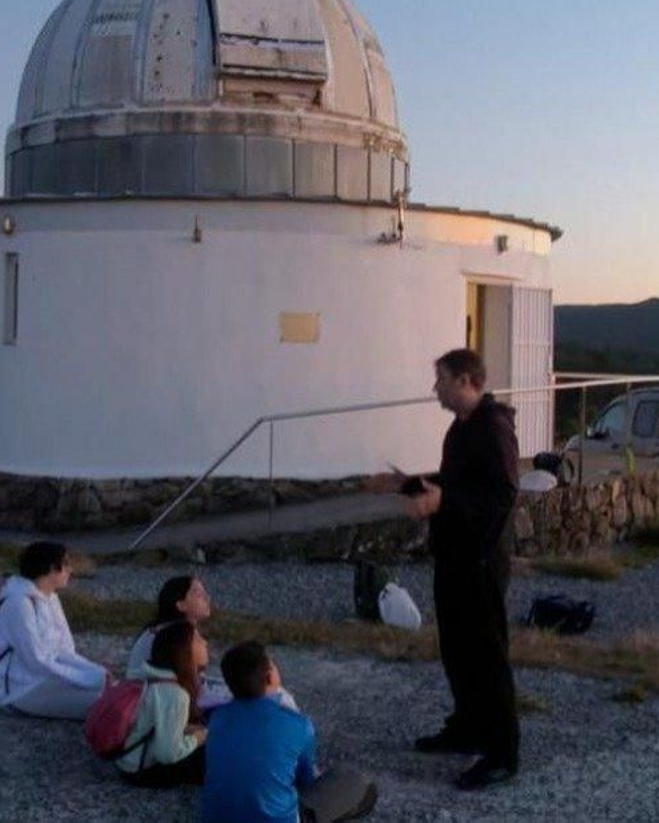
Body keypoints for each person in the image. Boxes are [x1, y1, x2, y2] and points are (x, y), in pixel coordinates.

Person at [384, 348, 521, 790]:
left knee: (487, 655)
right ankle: (467, 726)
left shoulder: (494, 428)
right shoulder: (458, 430)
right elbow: (459, 485)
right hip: (453, 556)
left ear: (465, 380)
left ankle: (502, 752)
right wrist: (410, 485)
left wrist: (445, 501)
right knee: (457, 649)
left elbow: (501, 495)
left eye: (441, 379)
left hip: (480, 559)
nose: (435, 389)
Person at [204, 641, 376, 823]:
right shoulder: (298, 724)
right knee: (358, 784)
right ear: (269, 676)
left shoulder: (218, 719)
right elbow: (306, 781)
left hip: (216, 818)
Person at [126, 575, 296, 713]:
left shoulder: (166, 629)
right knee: (266, 694)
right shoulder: (176, 636)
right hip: (155, 705)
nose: (207, 597)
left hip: (151, 700)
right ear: (181, 605)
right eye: (198, 594)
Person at [0, 541, 109, 720]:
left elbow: (64, 651)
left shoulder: (50, 598)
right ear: (52, 568)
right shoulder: (19, 604)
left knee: (115, 692)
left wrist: (99, 673)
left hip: (43, 680)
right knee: (109, 704)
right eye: (66, 564)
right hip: (19, 690)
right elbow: (37, 660)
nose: (71, 570)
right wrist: (91, 679)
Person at [115, 621, 208, 787]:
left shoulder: (147, 675)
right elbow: (166, 754)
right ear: (184, 650)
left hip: (126, 760)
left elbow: (154, 721)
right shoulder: (175, 694)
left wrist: (186, 729)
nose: (205, 642)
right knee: (214, 753)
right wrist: (197, 738)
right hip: (143, 771)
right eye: (198, 639)